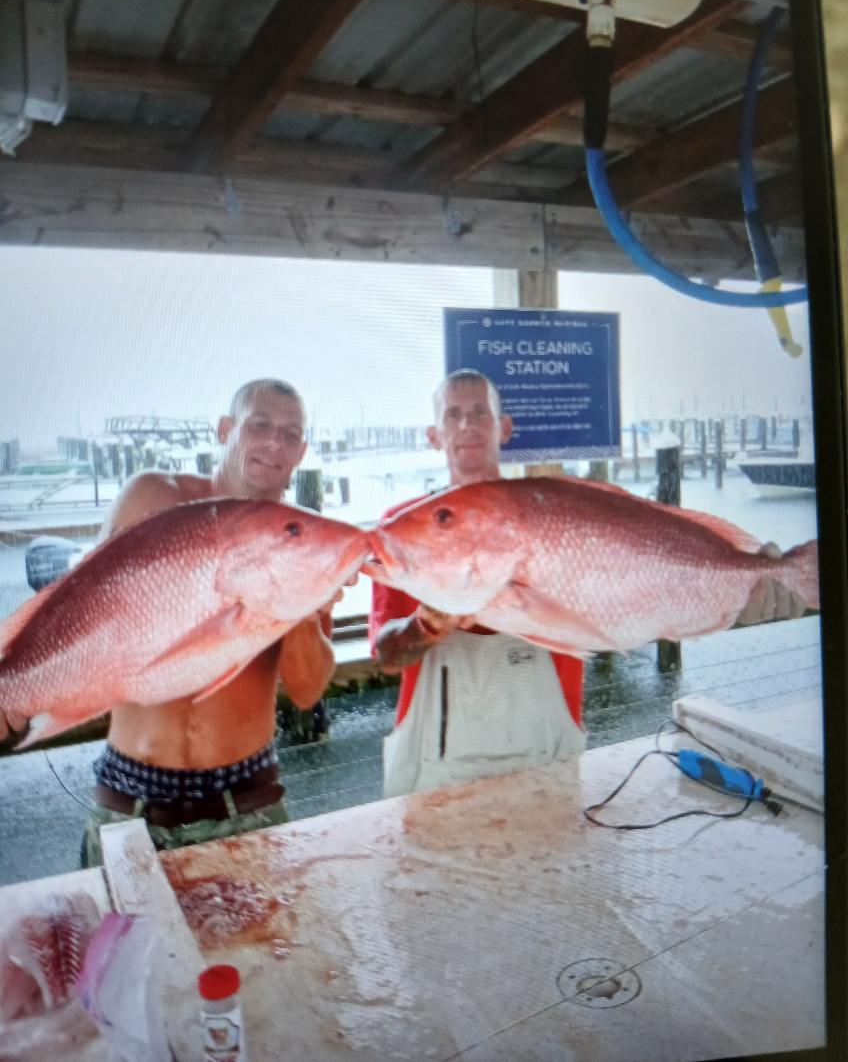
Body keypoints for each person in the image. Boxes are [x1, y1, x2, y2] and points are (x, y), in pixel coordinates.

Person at [369, 369, 809, 799]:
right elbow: (386, 655)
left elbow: (647, 599)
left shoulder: (554, 504)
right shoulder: (404, 530)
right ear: (433, 434)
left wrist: (736, 597)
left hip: (548, 752)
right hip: (436, 768)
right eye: (453, 414)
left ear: (504, 428)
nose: (467, 425)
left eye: (480, 413)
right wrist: (425, 625)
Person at [68, 378, 339, 864]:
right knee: (115, 944)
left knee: (260, 944)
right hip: (130, 803)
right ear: (225, 429)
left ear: (301, 452)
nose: (274, 443)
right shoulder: (152, 498)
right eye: (259, 425)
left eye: (290, 434)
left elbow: (308, 689)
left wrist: (288, 593)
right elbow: (83, 610)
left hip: (244, 801)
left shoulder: (308, 540)